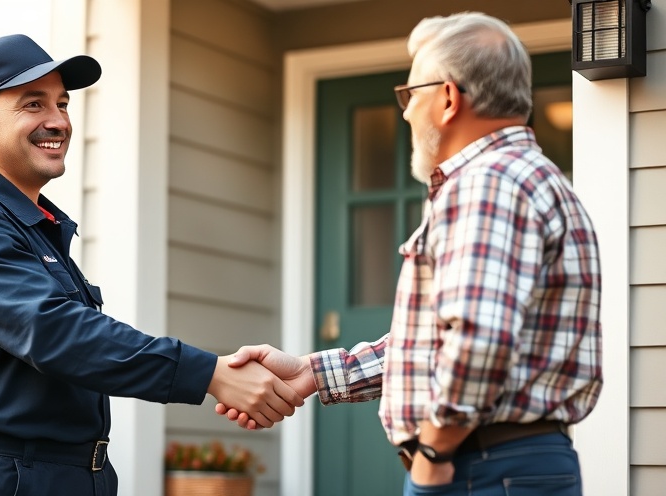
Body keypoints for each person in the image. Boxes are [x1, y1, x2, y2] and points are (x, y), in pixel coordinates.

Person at [0, 34, 303, 496]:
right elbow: (56, 332)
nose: (58, 121)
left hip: (67, 475)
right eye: (33, 104)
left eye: (62, 104)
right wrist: (209, 373)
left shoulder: (34, 228)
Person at [217, 11, 603, 496]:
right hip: (505, 463)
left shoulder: (487, 184)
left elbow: (478, 339)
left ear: (448, 97)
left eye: (410, 94)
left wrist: (434, 454)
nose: (405, 113)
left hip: (477, 467)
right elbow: (444, 341)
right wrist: (312, 373)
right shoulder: (531, 178)